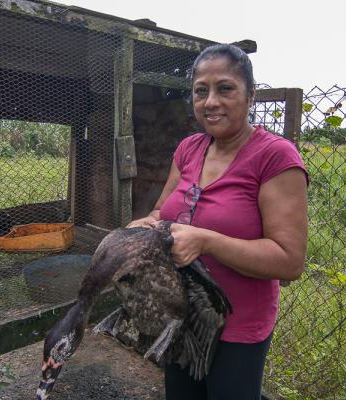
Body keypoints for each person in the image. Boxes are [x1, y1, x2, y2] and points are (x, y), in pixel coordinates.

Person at [127, 43, 309, 399]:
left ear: (250, 94)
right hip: (180, 314)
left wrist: (207, 241)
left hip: (237, 327)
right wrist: (144, 226)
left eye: (225, 88)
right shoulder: (189, 149)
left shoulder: (275, 156)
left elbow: (289, 260)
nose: (210, 101)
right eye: (200, 91)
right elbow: (160, 211)